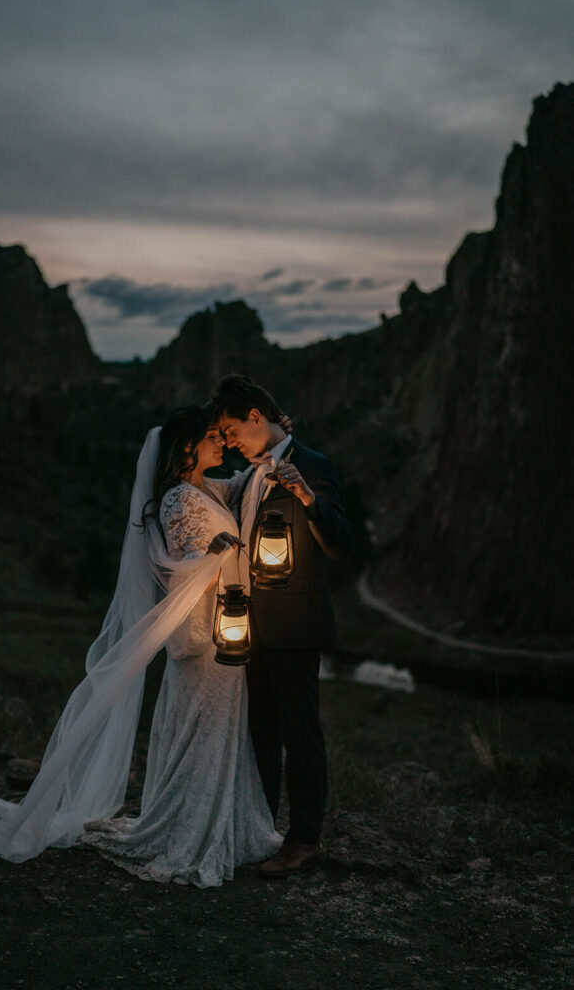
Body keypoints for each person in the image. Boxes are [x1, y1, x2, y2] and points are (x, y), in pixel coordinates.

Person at [0, 406, 282, 888]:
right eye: (212, 437)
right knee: (201, 731)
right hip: (206, 633)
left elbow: (242, 487)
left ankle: (218, 824)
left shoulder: (204, 490)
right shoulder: (177, 500)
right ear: (187, 447)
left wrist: (272, 456)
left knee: (216, 730)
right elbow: (179, 567)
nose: (220, 443)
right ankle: (185, 831)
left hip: (227, 628)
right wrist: (219, 551)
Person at [211, 375, 352, 878]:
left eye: (232, 431)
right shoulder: (249, 476)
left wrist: (306, 495)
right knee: (261, 736)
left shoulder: (314, 465)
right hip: (252, 628)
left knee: (301, 735)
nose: (229, 441)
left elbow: (338, 542)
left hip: (296, 624)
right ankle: (261, 832)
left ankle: (304, 840)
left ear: (255, 417)